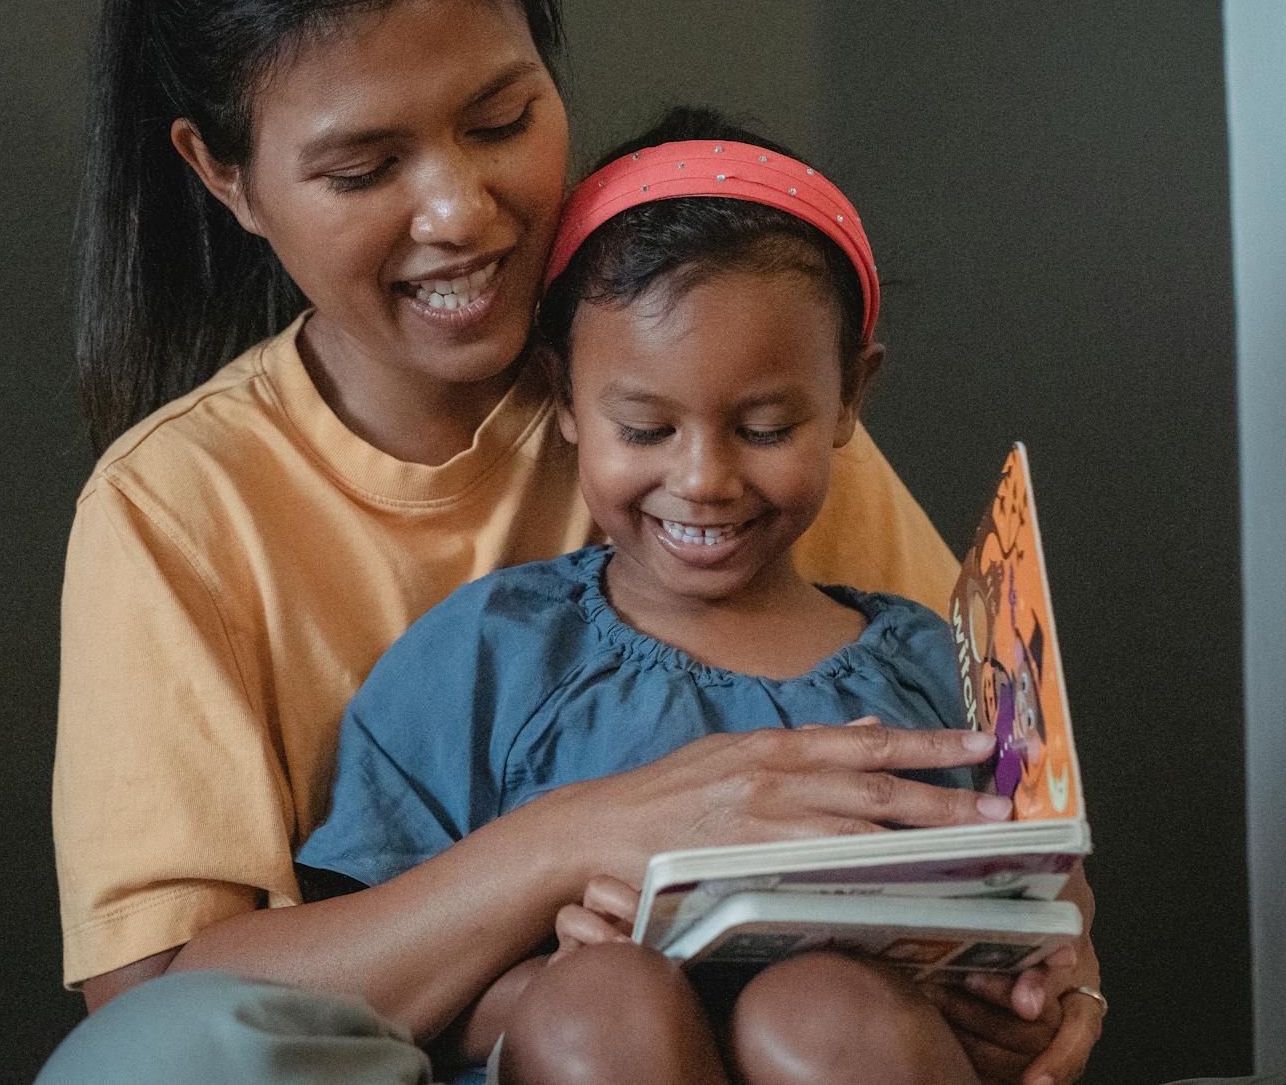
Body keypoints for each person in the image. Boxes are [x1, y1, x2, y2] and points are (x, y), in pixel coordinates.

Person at [42, 0, 1102, 1081]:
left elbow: (980, 787)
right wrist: (575, 840)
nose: (459, 211)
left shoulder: (723, 369)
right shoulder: (177, 506)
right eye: (364, 166)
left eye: (499, 119)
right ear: (224, 172)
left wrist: (1041, 957)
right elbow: (158, 1011)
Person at [295, 106, 1102, 1084]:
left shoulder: (938, 671)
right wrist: (540, 975)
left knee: (821, 1010)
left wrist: (1037, 975)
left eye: (762, 427)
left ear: (846, 395)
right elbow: (355, 989)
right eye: (644, 429)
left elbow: (1043, 888)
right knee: (603, 1000)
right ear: (562, 397)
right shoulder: (488, 657)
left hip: (857, 1047)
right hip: (585, 1042)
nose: (704, 478)